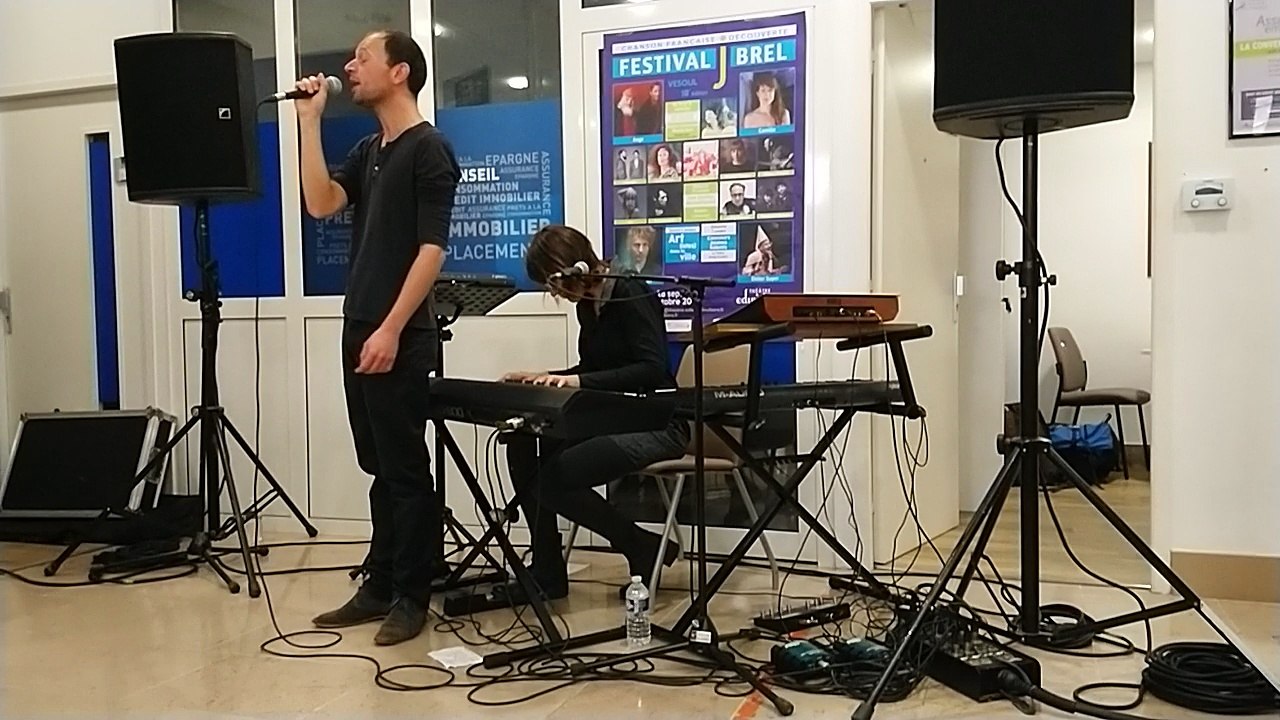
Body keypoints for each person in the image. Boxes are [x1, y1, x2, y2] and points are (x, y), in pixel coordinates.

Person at [294, 30, 460, 645]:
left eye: (362, 57)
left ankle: (413, 593)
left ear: (400, 72)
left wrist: (392, 327)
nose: (348, 66)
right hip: (359, 323)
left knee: (404, 468)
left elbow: (431, 249)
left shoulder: (429, 149)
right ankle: (380, 582)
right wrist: (310, 123)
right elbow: (320, 203)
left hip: (400, 332)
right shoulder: (369, 150)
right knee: (377, 464)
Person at [498, 225, 687, 603]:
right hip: (616, 414)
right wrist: (545, 378)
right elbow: (596, 369)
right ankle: (547, 571)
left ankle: (640, 546)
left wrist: (575, 381)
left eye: (553, 282)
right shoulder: (589, 305)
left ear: (570, 268)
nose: (554, 293)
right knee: (522, 443)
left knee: (557, 475)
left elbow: (651, 369)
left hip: (658, 422)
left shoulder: (629, 291)